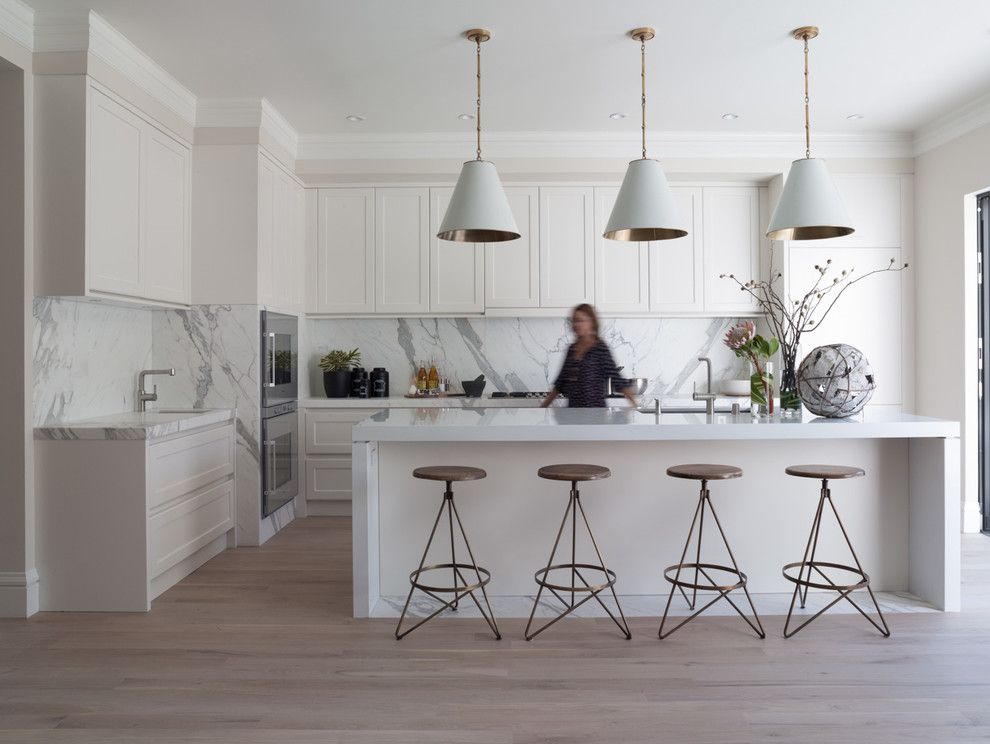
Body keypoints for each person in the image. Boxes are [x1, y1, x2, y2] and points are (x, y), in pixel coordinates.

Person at [541, 304, 639, 409]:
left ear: (592, 322)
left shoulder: (600, 348)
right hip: (572, 414)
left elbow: (616, 377)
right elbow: (560, 382)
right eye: (574, 320)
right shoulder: (571, 349)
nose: (576, 324)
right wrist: (543, 408)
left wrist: (634, 403)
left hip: (596, 414)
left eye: (580, 320)